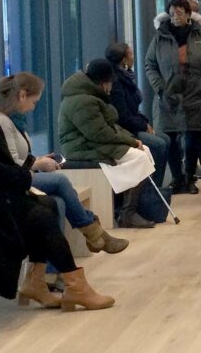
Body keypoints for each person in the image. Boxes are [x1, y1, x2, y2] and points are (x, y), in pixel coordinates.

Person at [0, 61, 114, 311]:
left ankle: (38, 282)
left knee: (47, 205)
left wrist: (20, 178)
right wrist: (22, 179)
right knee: (41, 216)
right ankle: (76, 286)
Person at [0, 72, 128, 254]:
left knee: (58, 203)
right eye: (34, 102)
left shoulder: (14, 122)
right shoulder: (3, 122)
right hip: (14, 180)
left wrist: (38, 160)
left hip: (22, 174)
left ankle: (53, 270)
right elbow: (11, 162)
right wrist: (38, 164)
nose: (33, 108)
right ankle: (94, 233)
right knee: (60, 181)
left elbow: (19, 157)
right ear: (22, 96)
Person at [58, 59, 155, 229]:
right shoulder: (83, 101)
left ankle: (125, 209)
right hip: (82, 147)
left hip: (90, 143)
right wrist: (131, 141)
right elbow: (99, 133)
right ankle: (127, 213)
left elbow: (105, 129)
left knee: (143, 151)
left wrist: (131, 140)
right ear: (104, 82)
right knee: (140, 157)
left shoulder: (87, 95)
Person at [144, 0, 201, 195]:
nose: (176, 17)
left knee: (192, 138)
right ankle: (177, 178)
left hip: (196, 95)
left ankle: (189, 177)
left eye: (180, 13)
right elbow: (150, 65)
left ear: (188, 14)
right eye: (172, 13)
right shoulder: (160, 37)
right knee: (170, 138)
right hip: (168, 96)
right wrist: (160, 88)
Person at [104, 42, 169, 188]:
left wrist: (145, 123)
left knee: (165, 138)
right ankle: (151, 189)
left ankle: (158, 185)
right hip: (124, 129)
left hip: (132, 123)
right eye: (131, 54)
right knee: (158, 144)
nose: (134, 57)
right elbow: (123, 117)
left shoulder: (126, 77)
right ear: (124, 60)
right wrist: (143, 125)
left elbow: (132, 110)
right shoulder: (116, 83)